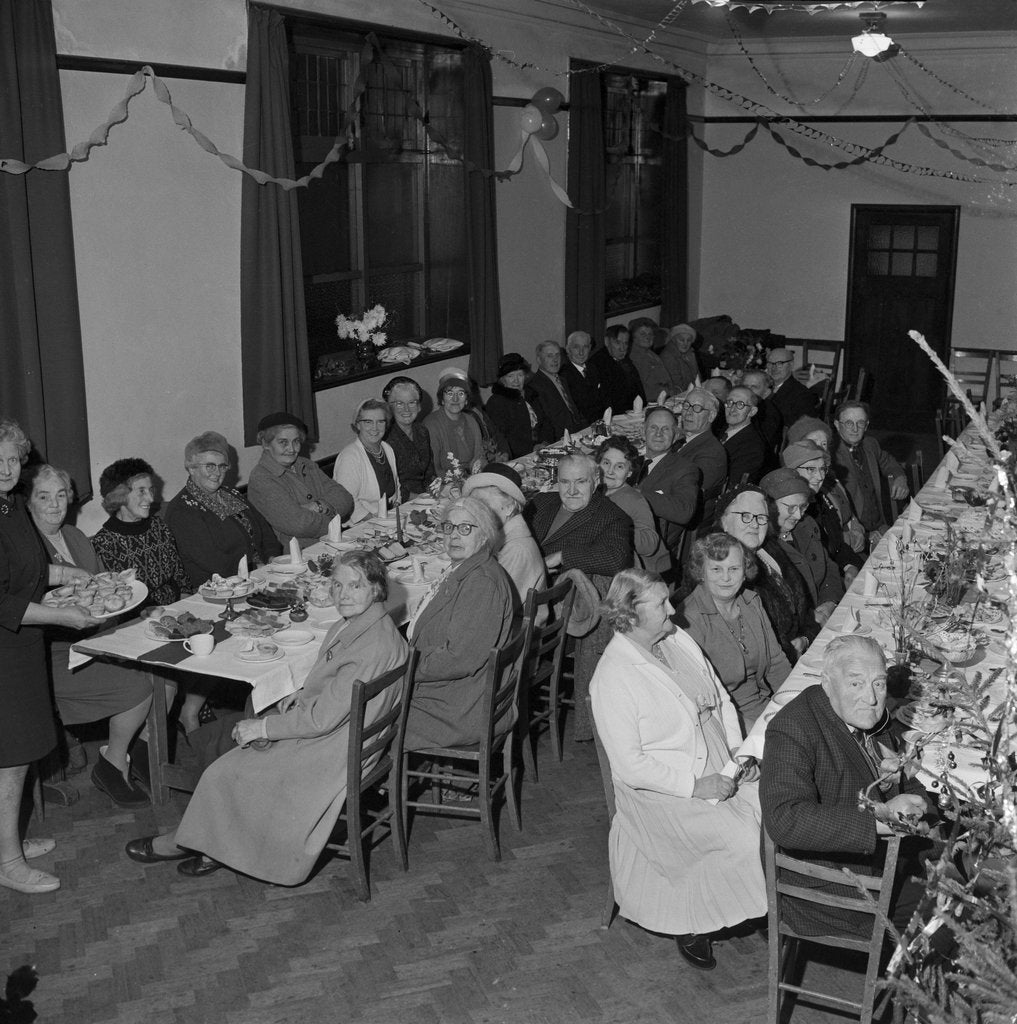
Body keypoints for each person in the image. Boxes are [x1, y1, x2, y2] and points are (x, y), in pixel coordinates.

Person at [125, 550, 409, 884]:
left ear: (376, 589)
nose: (342, 593)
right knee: (243, 745)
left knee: (226, 770)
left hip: (332, 751)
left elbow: (320, 722)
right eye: (336, 585)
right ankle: (215, 843)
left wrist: (262, 727)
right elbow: (336, 691)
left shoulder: (367, 645)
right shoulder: (370, 626)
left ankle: (189, 843)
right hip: (351, 737)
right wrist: (300, 694)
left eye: (355, 585)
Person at [591, 569, 767, 972]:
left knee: (775, 801)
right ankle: (692, 921)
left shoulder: (674, 638)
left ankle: (754, 901)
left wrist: (739, 750)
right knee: (739, 833)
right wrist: (695, 785)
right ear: (630, 615)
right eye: (662, 604)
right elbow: (630, 766)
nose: (674, 610)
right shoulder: (614, 675)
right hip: (662, 788)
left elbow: (720, 697)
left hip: (718, 757)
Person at [760, 635, 931, 938]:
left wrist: (898, 789)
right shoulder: (792, 728)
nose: (871, 698)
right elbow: (784, 819)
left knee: (962, 874)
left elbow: (910, 790)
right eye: (855, 684)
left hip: (875, 861)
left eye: (878, 683)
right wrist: (880, 819)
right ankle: (901, 982)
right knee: (946, 911)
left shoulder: (867, 717)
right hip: (827, 891)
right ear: (827, 683)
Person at [0, 419, 97, 894]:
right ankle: (9, 862)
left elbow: (29, 570)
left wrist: (65, 575)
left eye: (12, 459)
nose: (5, 468)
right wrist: (64, 618)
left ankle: (7, 842)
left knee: (13, 756)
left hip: (19, 648)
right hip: (3, 650)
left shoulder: (12, 505)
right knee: (9, 758)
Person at [27, 464, 153, 807]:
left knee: (161, 666)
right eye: (44, 496)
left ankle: (137, 753)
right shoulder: (23, 545)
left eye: (61, 495)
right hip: (48, 654)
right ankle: (113, 763)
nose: (55, 504)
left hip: (93, 639)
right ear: (28, 501)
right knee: (139, 685)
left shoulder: (75, 536)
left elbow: (100, 591)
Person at [530, 453, 634, 741]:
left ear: (596, 482)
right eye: (564, 482)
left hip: (547, 614)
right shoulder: (540, 503)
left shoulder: (611, 516)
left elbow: (616, 557)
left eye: (580, 482)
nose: (572, 490)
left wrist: (564, 556)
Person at [404, 497, 516, 750]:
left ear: (485, 534)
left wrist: (402, 668)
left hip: (456, 708)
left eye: (465, 528)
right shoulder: (467, 567)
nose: (454, 535)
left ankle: (374, 783)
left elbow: (459, 658)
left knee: (359, 718)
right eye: (449, 527)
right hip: (454, 693)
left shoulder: (481, 583)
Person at [677, 533, 791, 728]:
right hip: (725, 720)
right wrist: (743, 727)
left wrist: (793, 700)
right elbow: (697, 699)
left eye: (734, 568)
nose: (726, 578)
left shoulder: (751, 602)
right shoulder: (689, 619)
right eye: (716, 569)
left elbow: (776, 662)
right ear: (701, 572)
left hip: (765, 706)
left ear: (745, 571)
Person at [715, 485, 818, 664]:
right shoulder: (721, 570)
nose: (754, 524)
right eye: (745, 516)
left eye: (761, 517)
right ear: (724, 522)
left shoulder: (769, 551)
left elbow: (805, 610)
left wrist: (806, 639)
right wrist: (791, 651)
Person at [165, 431, 281, 589]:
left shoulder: (230, 494)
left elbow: (264, 530)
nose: (217, 473)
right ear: (191, 468)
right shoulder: (182, 510)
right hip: (219, 588)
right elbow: (215, 563)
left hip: (258, 575)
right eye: (210, 466)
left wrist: (272, 558)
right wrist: (258, 570)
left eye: (222, 466)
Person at [91, 458, 191, 607]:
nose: (150, 498)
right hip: (139, 619)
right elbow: (122, 600)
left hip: (177, 607)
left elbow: (181, 578)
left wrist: (185, 606)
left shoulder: (159, 526)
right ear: (120, 496)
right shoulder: (105, 542)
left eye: (151, 490)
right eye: (141, 491)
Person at [248, 412, 354, 549]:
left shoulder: (306, 464)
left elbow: (345, 498)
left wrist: (318, 505)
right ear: (266, 443)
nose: (291, 449)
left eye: (296, 441)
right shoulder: (261, 478)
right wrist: (334, 520)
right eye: (283, 442)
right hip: (297, 556)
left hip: (330, 544)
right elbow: (299, 524)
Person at [760, 468, 843, 627]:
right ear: (769, 506)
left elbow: (829, 567)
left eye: (803, 507)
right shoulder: (762, 545)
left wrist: (829, 602)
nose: (798, 515)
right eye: (791, 508)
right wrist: (810, 620)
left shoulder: (807, 525)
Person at [463, 464, 546, 614]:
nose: (477, 512)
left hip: (516, 630)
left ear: (509, 508)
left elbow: (492, 605)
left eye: (485, 505)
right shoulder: (500, 535)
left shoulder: (516, 549)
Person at [782, 439, 864, 587]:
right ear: (792, 471)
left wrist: (850, 566)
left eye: (822, 469)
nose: (820, 477)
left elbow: (836, 544)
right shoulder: (788, 514)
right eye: (811, 469)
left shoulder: (821, 499)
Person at [832, 400, 909, 542]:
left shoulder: (869, 444)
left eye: (860, 423)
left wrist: (900, 477)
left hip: (880, 525)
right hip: (856, 535)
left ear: (866, 425)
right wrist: (865, 536)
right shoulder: (831, 455)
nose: (855, 429)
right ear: (837, 425)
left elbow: (888, 461)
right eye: (849, 423)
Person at [638, 406, 701, 562]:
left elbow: (684, 512)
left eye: (665, 429)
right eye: (653, 428)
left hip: (651, 551)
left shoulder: (686, 469)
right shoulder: (631, 461)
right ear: (642, 432)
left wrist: (635, 495)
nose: (658, 434)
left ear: (675, 437)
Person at [596, 436, 666, 574]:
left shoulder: (634, 500)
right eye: (606, 463)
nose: (610, 471)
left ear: (629, 473)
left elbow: (651, 543)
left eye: (619, 466)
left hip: (636, 573)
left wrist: (617, 530)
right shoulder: (596, 491)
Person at [332, 399, 401, 523]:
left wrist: (397, 510)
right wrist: (377, 521)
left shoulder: (387, 448)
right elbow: (348, 501)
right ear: (358, 424)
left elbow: (396, 486)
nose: (375, 428)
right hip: (361, 525)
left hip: (388, 519)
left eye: (380, 422)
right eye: (368, 422)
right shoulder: (350, 456)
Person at [423, 369, 486, 477]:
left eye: (461, 393)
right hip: (445, 482)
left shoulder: (471, 420)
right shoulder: (431, 425)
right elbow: (434, 469)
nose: (455, 399)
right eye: (450, 393)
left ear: (466, 400)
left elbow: (478, 456)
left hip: (471, 478)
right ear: (442, 399)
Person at [675, 388, 728, 514]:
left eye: (697, 408)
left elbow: (685, 495)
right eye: (686, 405)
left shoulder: (711, 453)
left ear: (711, 416)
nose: (688, 412)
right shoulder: (684, 439)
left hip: (678, 521)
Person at [382, 377, 435, 498]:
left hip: (425, 497)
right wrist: (418, 498)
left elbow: (429, 472)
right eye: (399, 403)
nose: (406, 409)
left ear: (419, 406)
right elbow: (386, 485)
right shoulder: (385, 437)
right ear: (389, 407)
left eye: (411, 403)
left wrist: (434, 492)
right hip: (400, 503)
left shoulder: (422, 431)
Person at [525, 341, 586, 441]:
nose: (555, 360)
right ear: (539, 360)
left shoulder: (562, 379)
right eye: (549, 356)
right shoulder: (534, 386)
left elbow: (572, 410)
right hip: (558, 440)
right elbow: (543, 423)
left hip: (576, 434)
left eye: (557, 355)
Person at [484, 354, 539, 459]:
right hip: (519, 456)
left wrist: (544, 442)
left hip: (540, 449)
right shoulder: (496, 402)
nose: (516, 381)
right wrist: (532, 449)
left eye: (520, 375)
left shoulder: (531, 394)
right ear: (502, 379)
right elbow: (503, 438)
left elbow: (545, 423)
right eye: (511, 376)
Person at [589, 325, 643, 414]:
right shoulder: (598, 364)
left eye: (626, 343)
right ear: (607, 342)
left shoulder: (624, 361)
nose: (622, 348)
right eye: (618, 342)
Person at [721, 386, 766, 486]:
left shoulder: (752, 447)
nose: (732, 409)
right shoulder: (720, 431)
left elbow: (732, 485)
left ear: (752, 411)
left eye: (740, 404)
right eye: (729, 402)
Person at [559, 331, 603, 423]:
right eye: (576, 347)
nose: (581, 352)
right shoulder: (563, 375)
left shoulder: (593, 368)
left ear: (590, 348)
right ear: (568, 349)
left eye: (585, 347)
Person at [766, 348, 817, 428]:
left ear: (791, 365)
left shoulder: (802, 395)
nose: (774, 368)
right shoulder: (764, 387)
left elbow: (803, 427)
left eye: (780, 363)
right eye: (770, 363)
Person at [627, 317, 672, 402]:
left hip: (665, 398)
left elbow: (666, 379)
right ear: (633, 337)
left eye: (650, 334)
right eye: (643, 334)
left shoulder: (652, 354)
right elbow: (647, 387)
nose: (648, 337)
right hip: (650, 402)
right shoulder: (633, 357)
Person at [742, 369, 783, 460]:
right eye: (745, 386)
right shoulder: (737, 406)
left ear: (766, 393)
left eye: (754, 387)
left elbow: (759, 446)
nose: (748, 390)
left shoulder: (768, 414)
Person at [660, 323, 702, 394]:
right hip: (678, 396)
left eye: (689, 340)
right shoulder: (668, 357)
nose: (685, 344)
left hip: (692, 392)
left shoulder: (691, 353)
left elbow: (698, 377)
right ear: (673, 340)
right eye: (681, 340)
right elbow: (677, 386)